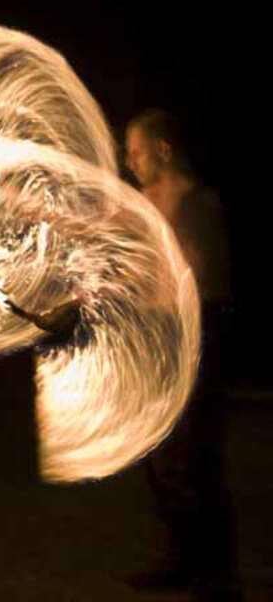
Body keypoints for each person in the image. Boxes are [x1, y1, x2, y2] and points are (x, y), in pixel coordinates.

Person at [124, 109, 241, 600]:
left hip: (196, 338)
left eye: (136, 150)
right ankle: (180, 556)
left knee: (195, 458)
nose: (129, 161)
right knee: (160, 458)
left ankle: (215, 573)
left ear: (163, 149)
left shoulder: (196, 201)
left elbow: (203, 278)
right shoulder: (145, 202)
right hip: (158, 339)